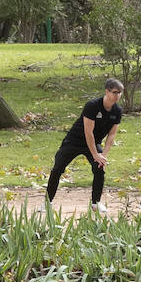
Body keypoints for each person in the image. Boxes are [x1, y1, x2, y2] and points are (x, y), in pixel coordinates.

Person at [45, 79, 124, 214]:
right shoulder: (92, 105)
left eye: (120, 93)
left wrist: (103, 156)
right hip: (74, 141)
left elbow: (111, 136)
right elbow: (88, 132)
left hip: (94, 143)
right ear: (107, 91)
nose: (117, 96)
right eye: (115, 92)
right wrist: (95, 155)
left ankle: (95, 203)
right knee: (58, 168)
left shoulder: (117, 111)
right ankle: (47, 202)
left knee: (99, 168)